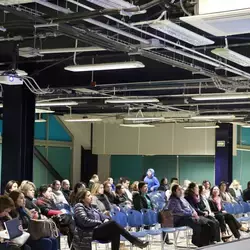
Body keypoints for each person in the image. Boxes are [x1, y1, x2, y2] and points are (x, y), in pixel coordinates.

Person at [72, 189, 149, 250]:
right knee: (113, 224)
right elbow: (85, 221)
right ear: (82, 199)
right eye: (88, 196)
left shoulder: (93, 207)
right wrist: (100, 222)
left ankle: (135, 241)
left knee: (115, 231)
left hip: (96, 231)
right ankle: (135, 241)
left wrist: (105, 219)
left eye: (90, 195)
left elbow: (104, 216)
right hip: (87, 233)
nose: (91, 197)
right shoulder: (79, 206)